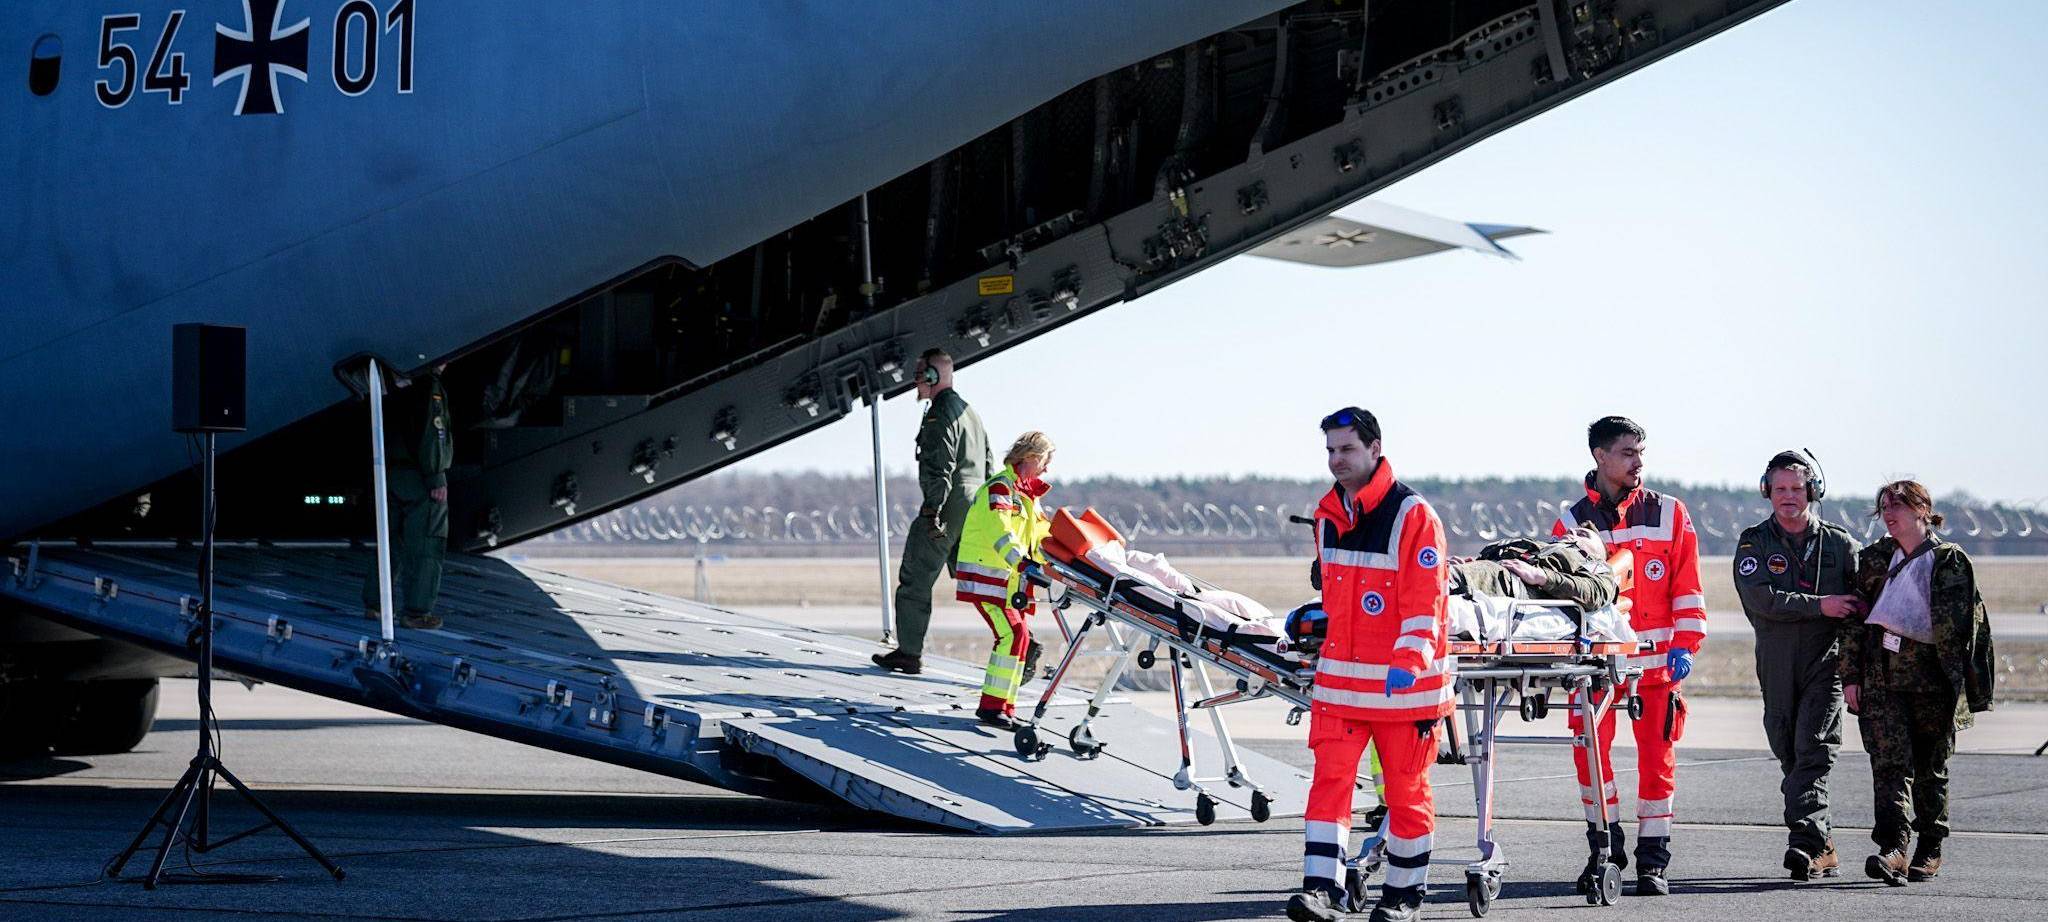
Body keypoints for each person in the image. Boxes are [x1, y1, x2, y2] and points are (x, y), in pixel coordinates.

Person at [1286, 407, 1449, 922]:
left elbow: (1427, 603)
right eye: (1330, 450)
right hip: (1339, 688)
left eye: (1347, 449)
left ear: (1375, 449)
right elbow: (1339, 599)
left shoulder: (1412, 515)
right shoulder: (1327, 516)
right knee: (1328, 789)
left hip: (1404, 691)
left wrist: (1410, 659)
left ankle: (1404, 898)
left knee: (1406, 795)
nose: (1336, 460)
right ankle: (1321, 892)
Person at [1552, 416, 1704, 896]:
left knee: (1657, 762)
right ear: (1600, 456)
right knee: (1590, 760)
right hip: (1595, 668)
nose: (1639, 462)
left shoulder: (1670, 514)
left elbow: (1689, 591)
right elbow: (1564, 599)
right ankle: (1605, 849)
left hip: (1657, 667)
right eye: (1627, 453)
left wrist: (1686, 646)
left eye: (1641, 452)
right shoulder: (1572, 522)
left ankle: (1653, 861)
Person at [1842, 480, 1995, 886]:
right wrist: (1852, 676)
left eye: (1899, 507)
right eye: (1884, 508)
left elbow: (1962, 629)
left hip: (1932, 684)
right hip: (1881, 681)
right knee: (1889, 766)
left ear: (1923, 510)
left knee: (1931, 768)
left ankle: (1930, 846)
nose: (1890, 515)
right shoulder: (1874, 559)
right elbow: (1855, 620)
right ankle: (1893, 847)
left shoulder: (1949, 561)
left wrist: (1963, 689)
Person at [1732, 450, 1862, 880]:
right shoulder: (1754, 542)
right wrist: (1821, 605)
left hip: (1824, 663)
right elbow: (1761, 599)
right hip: (1775, 662)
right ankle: (1822, 842)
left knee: (1814, 751)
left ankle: (1804, 842)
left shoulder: (1841, 546)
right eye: (1780, 488)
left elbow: (1860, 611)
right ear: (1767, 491)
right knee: (1787, 749)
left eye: (1797, 488)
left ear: (1813, 491)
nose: (1788, 496)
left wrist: (1855, 672)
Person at [873, 349, 992, 675]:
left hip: (949, 503)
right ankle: (1021, 640)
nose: (916, 381)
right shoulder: (971, 414)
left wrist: (932, 510)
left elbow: (940, 465)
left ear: (931, 376)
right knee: (977, 581)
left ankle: (909, 653)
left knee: (915, 576)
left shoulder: (941, 413)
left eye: (920, 373)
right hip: (973, 504)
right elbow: (988, 463)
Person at [953, 431, 1054, 729]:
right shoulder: (1000, 488)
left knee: (1020, 639)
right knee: (1013, 636)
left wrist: (1058, 564)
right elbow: (1000, 531)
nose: (1047, 469)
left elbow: (1040, 539)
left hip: (1010, 583)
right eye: (1045, 461)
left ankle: (1005, 707)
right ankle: (992, 708)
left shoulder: (1027, 497)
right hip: (989, 579)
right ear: (1032, 458)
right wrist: (1022, 563)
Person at [362, 364, 453, 630]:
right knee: (427, 542)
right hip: (418, 476)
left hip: (391, 471)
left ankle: (375, 603)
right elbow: (434, 433)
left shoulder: (393, 381)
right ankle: (416, 611)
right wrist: (436, 476)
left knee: (390, 542)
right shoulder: (429, 388)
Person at [1451, 526, 1616, 611]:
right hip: (1493, 574)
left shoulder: (1595, 564)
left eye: (1583, 534)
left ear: (1597, 553)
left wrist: (1541, 576)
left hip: (1513, 583)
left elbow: (1595, 592)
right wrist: (1471, 564)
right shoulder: (1542, 548)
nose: (1571, 531)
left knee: (1447, 579)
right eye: (1571, 531)